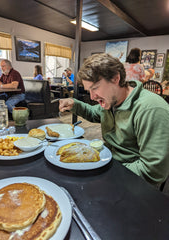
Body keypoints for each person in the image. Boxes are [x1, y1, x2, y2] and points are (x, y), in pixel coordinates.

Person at [59, 53, 169, 187]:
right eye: (89, 91)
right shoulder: (112, 100)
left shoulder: (151, 109)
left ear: (116, 78)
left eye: (95, 88)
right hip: (110, 164)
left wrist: (105, 174)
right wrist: (74, 103)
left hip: (133, 181)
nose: (92, 97)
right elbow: (94, 113)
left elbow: (153, 171)